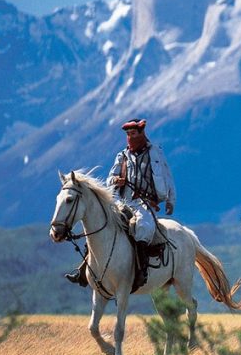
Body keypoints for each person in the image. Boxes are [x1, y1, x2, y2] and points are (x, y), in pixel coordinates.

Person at [65, 118, 176, 291]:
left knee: (142, 228)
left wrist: (170, 200)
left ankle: (140, 271)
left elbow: (166, 175)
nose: (130, 137)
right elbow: (110, 178)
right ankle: (84, 269)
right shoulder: (122, 156)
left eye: (133, 134)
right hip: (123, 202)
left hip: (144, 203)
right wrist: (115, 180)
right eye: (128, 135)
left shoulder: (155, 152)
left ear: (141, 133)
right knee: (102, 227)